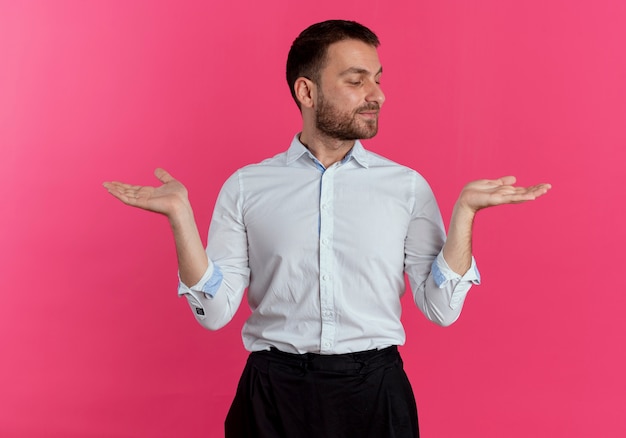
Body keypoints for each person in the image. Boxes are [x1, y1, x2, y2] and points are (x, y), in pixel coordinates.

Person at [104, 19, 550, 438]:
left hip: (376, 394)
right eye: (356, 81)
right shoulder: (246, 187)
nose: (377, 94)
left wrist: (465, 214)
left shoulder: (407, 188)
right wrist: (181, 218)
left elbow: (441, 309)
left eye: (377, 78)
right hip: (272, 395)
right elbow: (215, 312)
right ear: (307, 91)